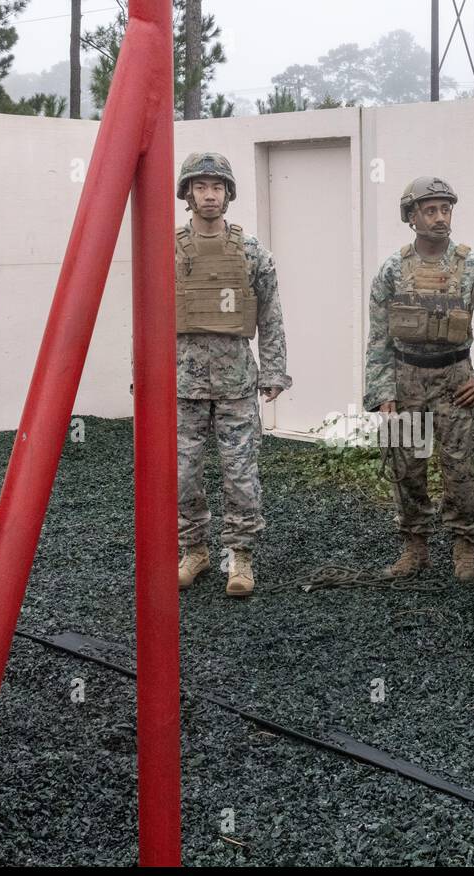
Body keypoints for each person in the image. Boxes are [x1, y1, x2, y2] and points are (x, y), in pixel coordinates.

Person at [364, 176, 474, 581]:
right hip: (405, 376)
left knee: (461, 469)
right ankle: (415, 546)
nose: (440, 217)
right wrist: (382, 393)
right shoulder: (392, 270)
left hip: (455, 381)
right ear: (411, 216)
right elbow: (379, 337)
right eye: (430, 210)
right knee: (406, 468)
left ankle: (465, 545)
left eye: (445, 209)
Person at [174, 152, 292, 597]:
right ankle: (195, 550)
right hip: (183, 383)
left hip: (237, 383)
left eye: (217, 187)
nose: (209, 195)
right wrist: (142, 374)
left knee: (240, 472)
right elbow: (147, 316)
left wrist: (275, 370)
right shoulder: (167, 249)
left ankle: (240, 557)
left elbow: (271, 315)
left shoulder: (251, 251)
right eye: (201, 186)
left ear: (228, 194)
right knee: (183, 472)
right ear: (187, 193)